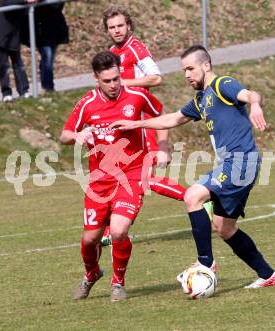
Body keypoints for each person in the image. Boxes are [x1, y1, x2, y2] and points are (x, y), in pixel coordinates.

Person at [111, 45, 275, 289]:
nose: (187, 75)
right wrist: (133, 124)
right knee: (224, 227)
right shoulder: (202, 99)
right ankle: (268, 275)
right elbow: (173, 119)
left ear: (206, 65)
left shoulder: (223, 85)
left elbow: (251, 94)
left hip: (241, 162)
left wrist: (255, 104)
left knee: (193, 196)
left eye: (190, 68)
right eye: (184, 70)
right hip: (230, 164)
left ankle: (206, 263)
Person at [60, 51, 168, 302]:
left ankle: (118, 283)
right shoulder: (87, 103)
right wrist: (77, 136)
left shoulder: (138, 96)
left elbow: (161, 117)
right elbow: (64, 134)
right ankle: (91, 273)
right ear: (96, 78)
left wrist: (161, 147)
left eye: (116, 79)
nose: (113, 85)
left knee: (118, 231)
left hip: (132, 174)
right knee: (90, 239)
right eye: (107, 80)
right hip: (99, 180)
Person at [100, 5, 192, 246]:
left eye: (120, 25)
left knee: (142, 178)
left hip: (143, 123)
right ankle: (112, 228)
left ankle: (196, 199)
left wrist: (163, 144)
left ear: (129, 25)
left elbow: (156, 77)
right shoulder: (113, 51)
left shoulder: (135, 48)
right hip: (128, 124)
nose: (117, 30)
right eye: (112, 27)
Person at [21, 0, 69, 92]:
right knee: (47, 57)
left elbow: (57, 5)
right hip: (41, 30)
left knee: (48, 59)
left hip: (54, 29)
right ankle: (48, 86)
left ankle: (48, 85)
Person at [0, 0, 36, 102]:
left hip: (15, 34)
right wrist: (25, 1)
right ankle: (6, 93)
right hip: (3, 35)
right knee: (4, 65)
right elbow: (9, 3)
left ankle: (24, 90)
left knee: (18, 63)